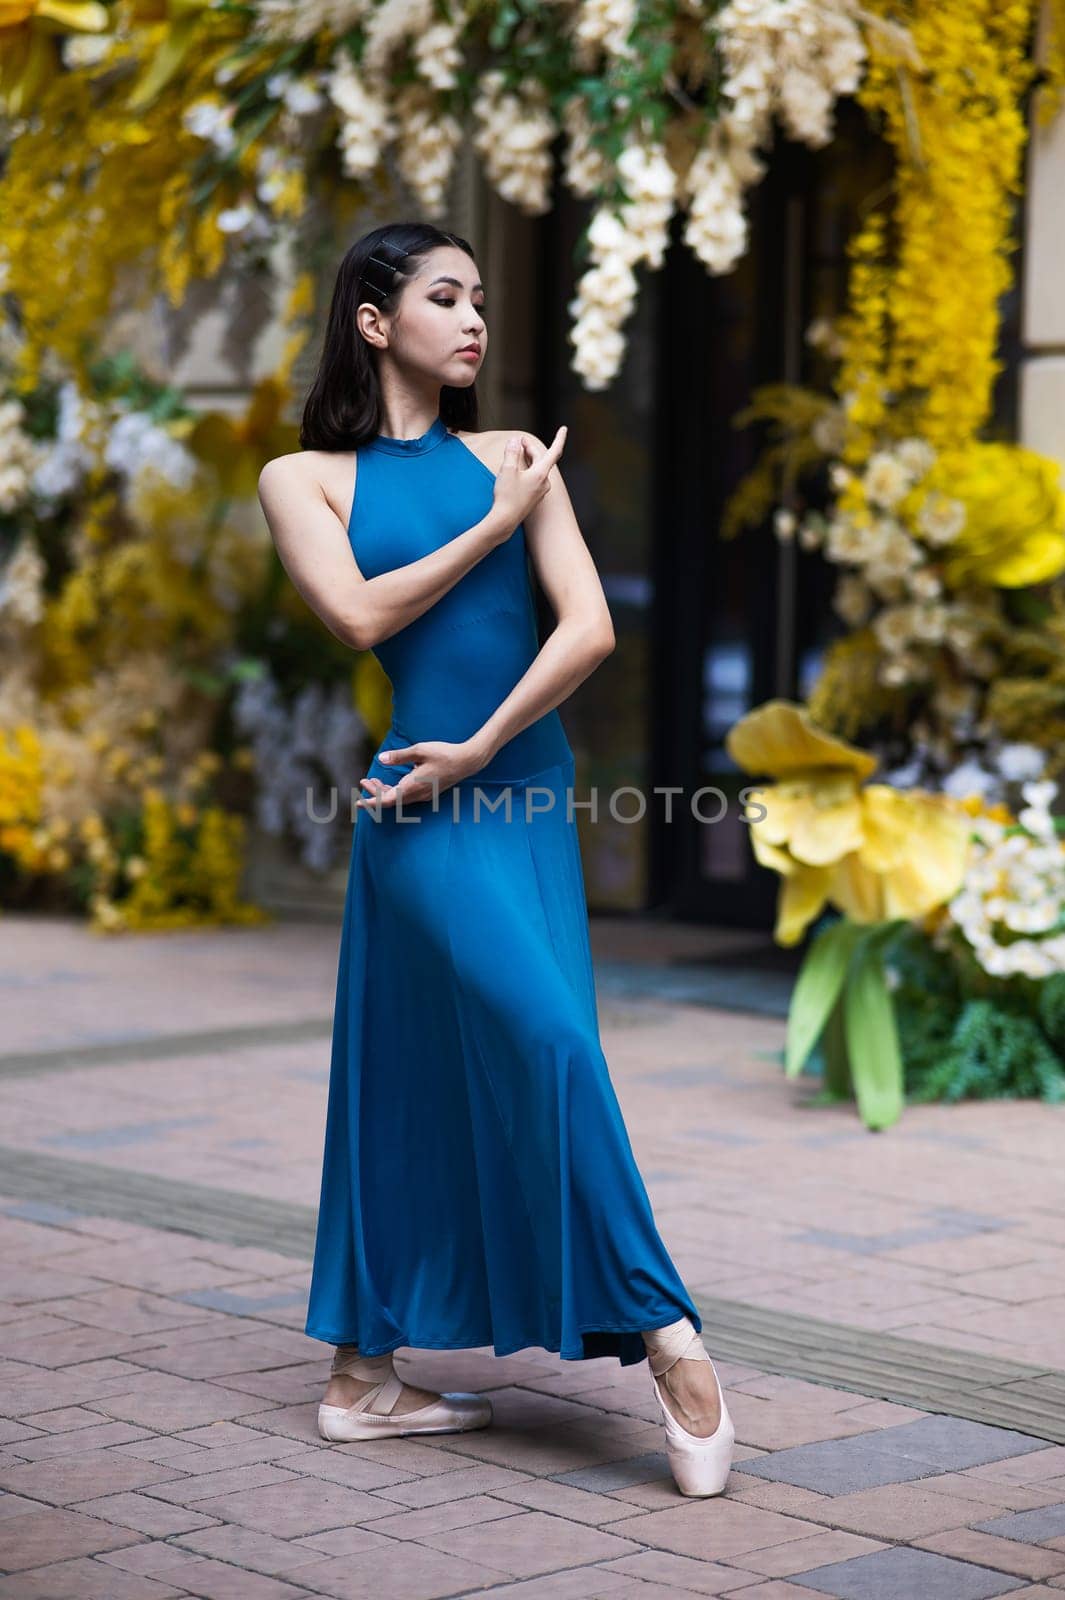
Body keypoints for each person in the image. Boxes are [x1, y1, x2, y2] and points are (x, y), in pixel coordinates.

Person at [257, 219, 735, 1497]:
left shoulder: (519, 455)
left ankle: (362, 1378)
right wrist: (495, 524)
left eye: (481, 299)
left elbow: (585, 633)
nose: (475, 320)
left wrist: (484, 743)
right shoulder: (303, 477)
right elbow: (360, 616)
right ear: (374, 319)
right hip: (416, 805)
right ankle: (670, 1337)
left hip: (516, 787)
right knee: (548, 1046)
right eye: (445, 296)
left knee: (448, 1060)